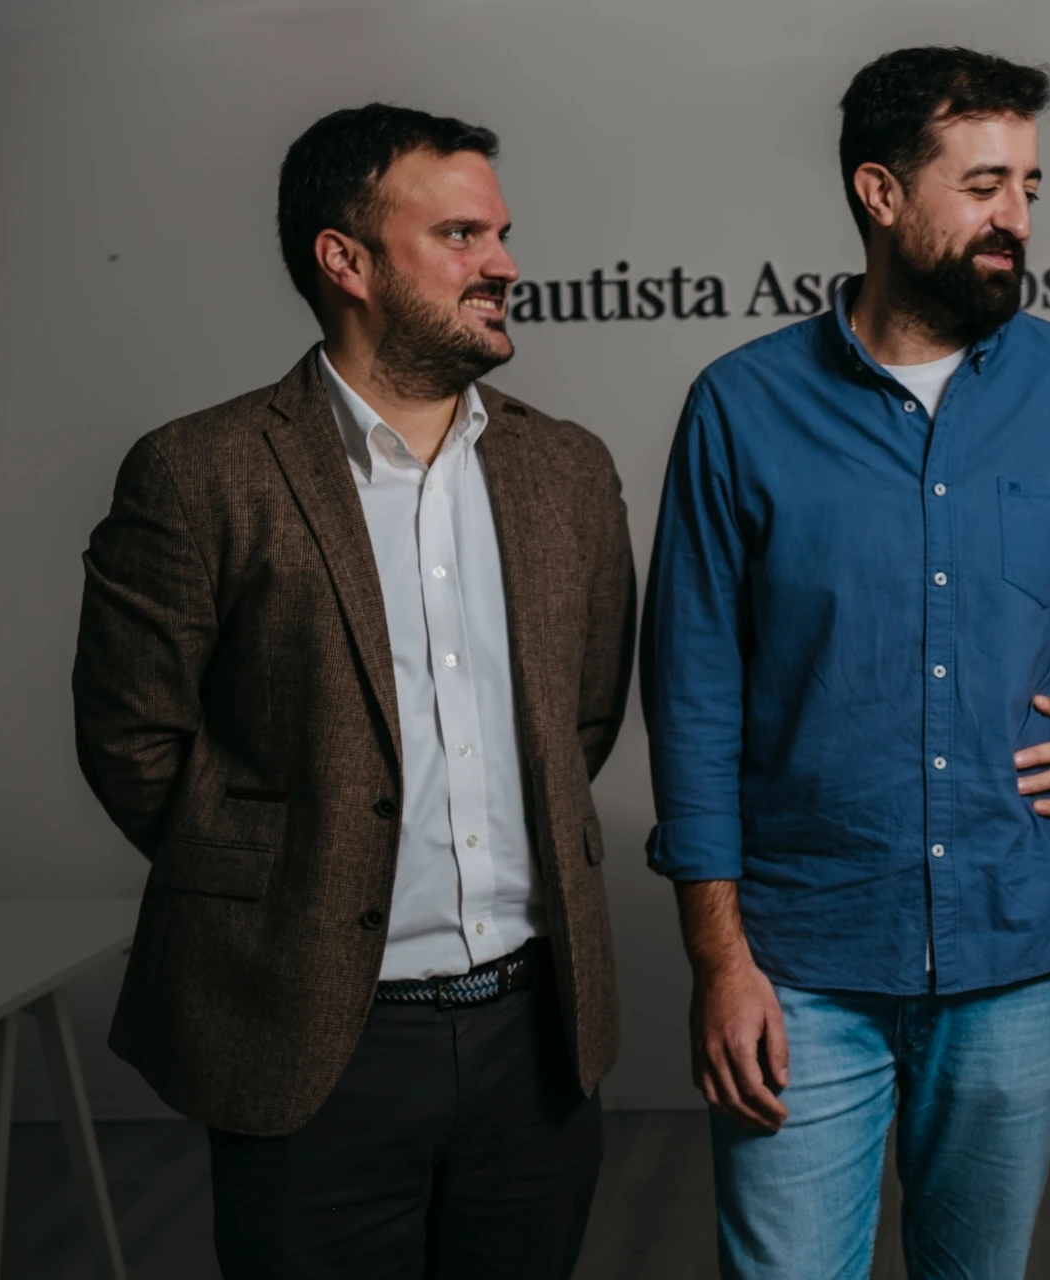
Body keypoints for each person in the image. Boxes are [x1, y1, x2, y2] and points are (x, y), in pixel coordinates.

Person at [71, 103, 634, 1278]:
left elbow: (581, 717)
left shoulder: (568, 468)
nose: (503, 264)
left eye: (502, 233)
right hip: (309, 1036)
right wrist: (283, 892)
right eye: (463, 235)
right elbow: (134, 741)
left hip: (537, 1036)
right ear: (348, 260)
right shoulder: (198, 472)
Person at [641, 46, 1050, 1280]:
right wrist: (719, 960)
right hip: (798, 960)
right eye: (983, 186)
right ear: (880, 193)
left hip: (1017, 952)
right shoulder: (739, 408)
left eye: (1028, 186)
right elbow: (693, 698)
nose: (1017, 217)